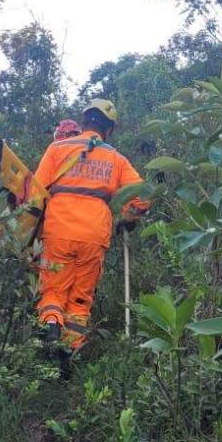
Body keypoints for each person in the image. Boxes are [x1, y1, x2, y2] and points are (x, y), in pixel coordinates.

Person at [31, 99, 147, 357]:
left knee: (52, 290)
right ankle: (69, 357)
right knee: (80, 300)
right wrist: (129, 217)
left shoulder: (57, 148)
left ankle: (50, 326)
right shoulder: (116, 159)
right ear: (110, 129)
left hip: (58, 230)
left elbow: (34, 192)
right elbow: (141, 195)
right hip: (94, 235)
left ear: (83, 123)